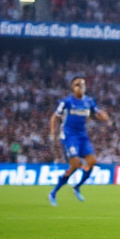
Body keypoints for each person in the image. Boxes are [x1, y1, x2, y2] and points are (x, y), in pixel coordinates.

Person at [48, 77, 112, 206]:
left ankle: (77, 187)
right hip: (69, 136)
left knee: (92, 161)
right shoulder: (66, 102)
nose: (80, 87)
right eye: (77, 85)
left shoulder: (89, 101)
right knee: (76, 164)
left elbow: (96, 113)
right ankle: (53, 193)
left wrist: (104, 118)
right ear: (73, 87)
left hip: (82, 136)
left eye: (82, 85)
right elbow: (55, 116)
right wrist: (52, 132)